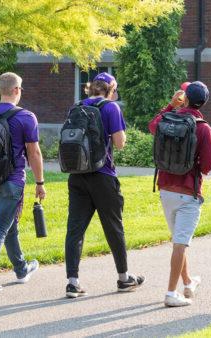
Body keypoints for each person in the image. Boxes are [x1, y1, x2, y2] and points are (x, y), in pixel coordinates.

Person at [64, 72, 144, 298]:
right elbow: (119, 144)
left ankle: (72, 282)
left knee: (75, 229)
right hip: (103, 175)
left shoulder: (76, 107)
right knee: (113, 227)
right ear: (111, 89)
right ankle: (123, 278)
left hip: (77, 174)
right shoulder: (111, 108)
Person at [0, 72, 46, 292]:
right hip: (12, 182)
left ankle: (22, 269)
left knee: (8, 224)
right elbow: (34, 153)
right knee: (0, 228)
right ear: (15, 90)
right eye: (20, 88)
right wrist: (40, 182)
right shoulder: (26, 117)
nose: (21, 92)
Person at [148, 81, 211, 307]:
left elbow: (152, 126)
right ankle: (170, 293)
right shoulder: (204, 128)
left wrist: (170, 106)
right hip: (188, 193)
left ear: (184, 98)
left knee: (179, 240)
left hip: (165, 189)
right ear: (204, 102)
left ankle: (188, 282)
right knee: (180, 243)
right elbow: (207, 166)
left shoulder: (167, 120)